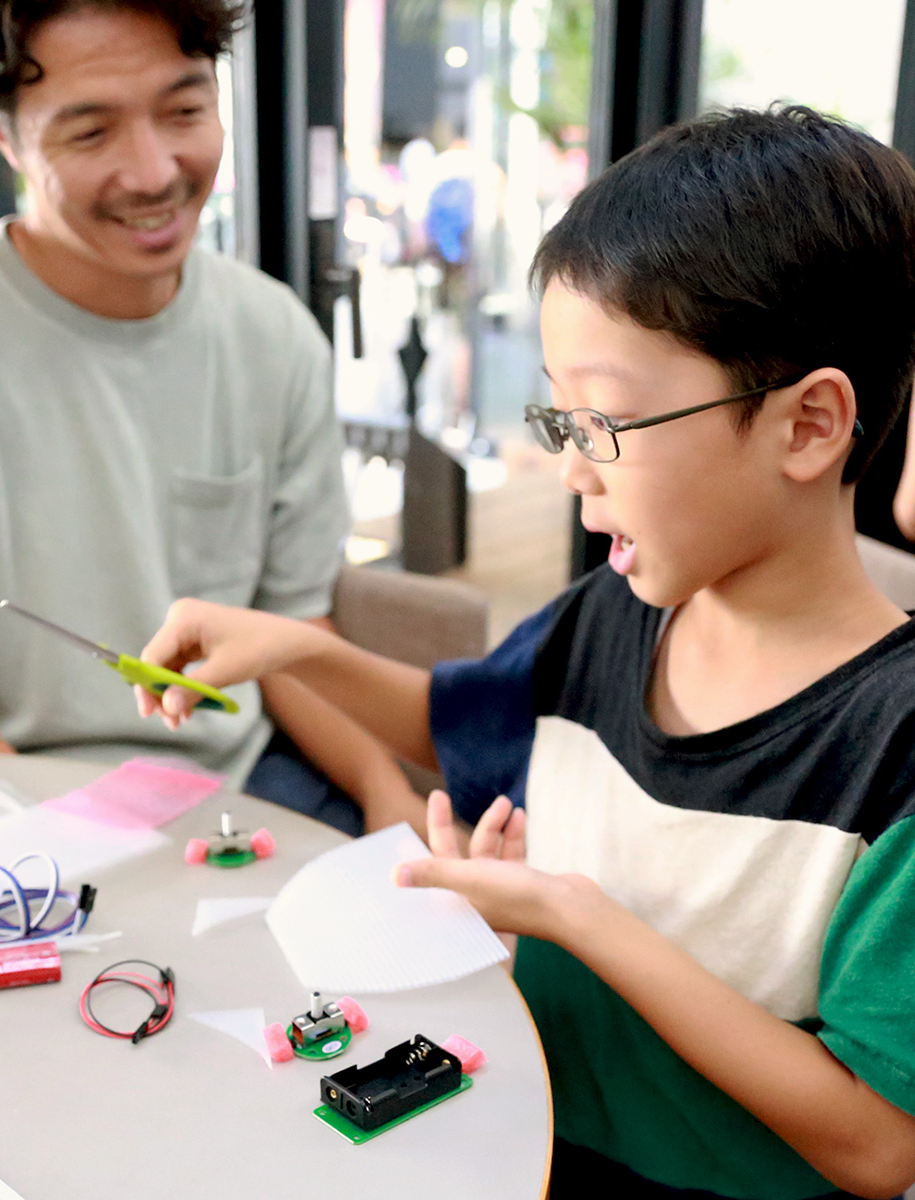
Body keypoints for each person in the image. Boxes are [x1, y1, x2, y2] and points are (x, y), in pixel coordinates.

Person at [135, 106, 915, 1198]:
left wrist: (573, 915)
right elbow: (446, 722)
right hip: (524, 1149)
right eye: (558, 421)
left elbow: (880, 1146)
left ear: (807, 425)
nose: (570, 470)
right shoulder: (613, 614)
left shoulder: (894, 746)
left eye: (602, 424)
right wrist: (283, 650)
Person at [0, 0, 425, 836]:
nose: (154, 172)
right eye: (91, 133)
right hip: (6, 806)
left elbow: (290, 633)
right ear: (3, 137)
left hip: (244, 785)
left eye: (185, 110)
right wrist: (81, 858)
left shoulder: (273, 335)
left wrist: (382, 788)